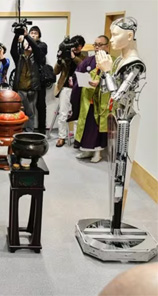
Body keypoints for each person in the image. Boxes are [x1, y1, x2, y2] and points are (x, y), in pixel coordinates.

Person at [97, 17, 146, 230]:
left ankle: (117, 222)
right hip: (116, 119)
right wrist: (105, 70)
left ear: (130, 35)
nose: (112, 39)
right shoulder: (119, 61)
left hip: (127, 120)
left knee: (122, 171)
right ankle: (113, 219)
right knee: (114, 168)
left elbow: (117, 95)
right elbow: (105, 90)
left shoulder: (136, 65)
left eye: (116, 34)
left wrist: (107, 71)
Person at [71, 35, 111, 163]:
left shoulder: (111, 61)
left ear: (107, 46)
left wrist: (99, 83)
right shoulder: (88, 61)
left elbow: (113, 80)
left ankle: (97, 152)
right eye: (95, 44)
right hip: (87, 99)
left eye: (100, 44)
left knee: (97, 127)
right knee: (85, 126)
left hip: (101, 101)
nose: (97, 47)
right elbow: (78, 73)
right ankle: (86, 150)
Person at [10, 26, 48, 132]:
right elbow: (12, 49)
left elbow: (36, 48)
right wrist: (17, 34)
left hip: (32, 89)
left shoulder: (37, 58)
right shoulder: (19, 57)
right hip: (20, 88)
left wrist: (27, 36)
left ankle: (29, 132)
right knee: (19, 112)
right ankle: (18, 131)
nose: (28, 45)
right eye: (26, 43)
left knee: (31, 113)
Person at [54, 35, 85, 147]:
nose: (75, 48)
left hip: (78, 88)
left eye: (78, 46)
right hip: (65, 87)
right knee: (63, 114)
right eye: (74, 45)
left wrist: (73, 57)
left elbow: (83, 66)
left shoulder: (84, 57)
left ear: (81, 47)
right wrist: (59, 60)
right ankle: (61, 137)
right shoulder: (65, 56)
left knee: (77, 116)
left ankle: (77, 138)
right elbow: (55, 72)